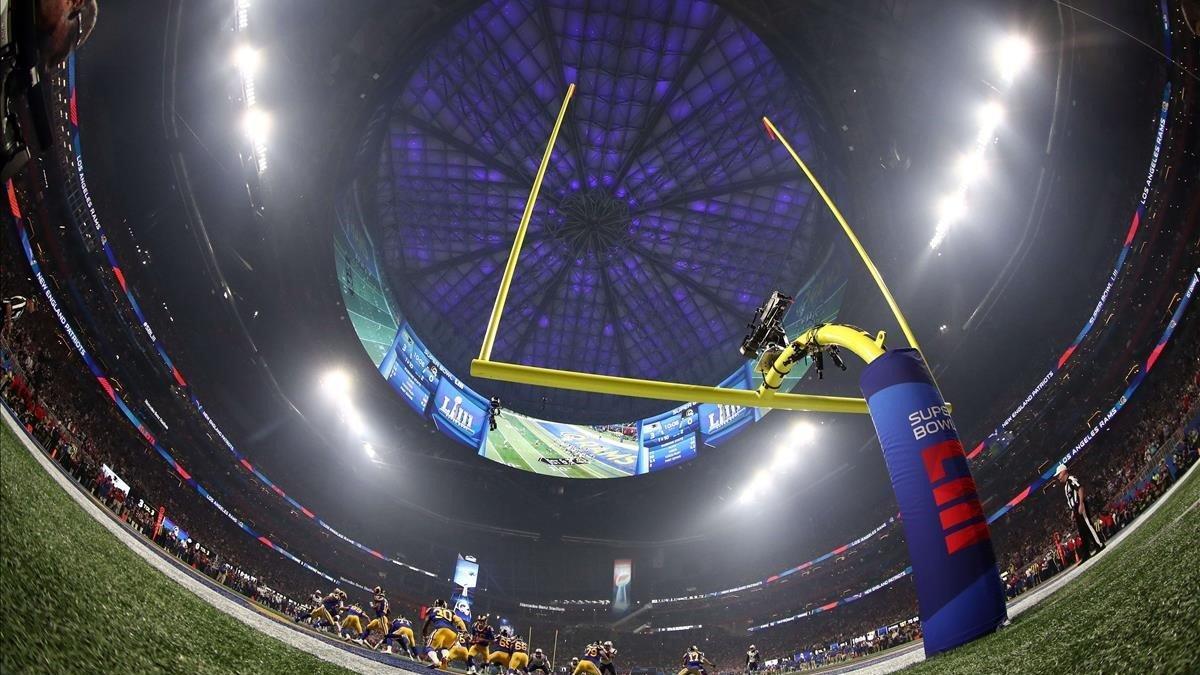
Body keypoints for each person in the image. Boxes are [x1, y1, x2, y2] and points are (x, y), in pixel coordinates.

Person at [1056, 464, 1104, 562]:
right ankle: (1086, 553)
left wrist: (1081, 503)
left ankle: (1099, 544)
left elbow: (1080, 488)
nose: (1058, 477)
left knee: (1088, 525)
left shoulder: (1071, 479)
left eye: (1059, 474)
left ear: (1063, 472)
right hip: (1076, 507)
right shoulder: (1066, 486)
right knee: (1082, 531)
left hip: (1080, 505)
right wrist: (1073, 511)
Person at [423, 599, 467, 668]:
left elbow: (426, 624)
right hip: (453, 633)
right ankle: (445, 657)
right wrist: (465, 631)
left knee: (429, 647)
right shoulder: (451, 612)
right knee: (445, 648)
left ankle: (436, 662)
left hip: (440, 629)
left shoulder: (432, 609)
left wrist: (424, 634)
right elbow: (459, 620)